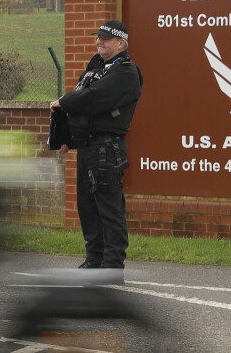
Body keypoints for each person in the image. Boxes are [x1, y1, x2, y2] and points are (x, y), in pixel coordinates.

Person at [49, 20, 143, 278]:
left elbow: (92, 99)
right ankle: (94, 260)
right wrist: (69, 136)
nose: (99, 41)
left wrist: (63, 101)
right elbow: (83, 104)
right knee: (87, 207)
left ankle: (112, 267)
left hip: (107, 149)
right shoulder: (97, 68)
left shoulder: (125, 73)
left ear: (121, 43)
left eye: (105, 38)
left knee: (108, 208)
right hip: (88, 148)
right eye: (98, 37)